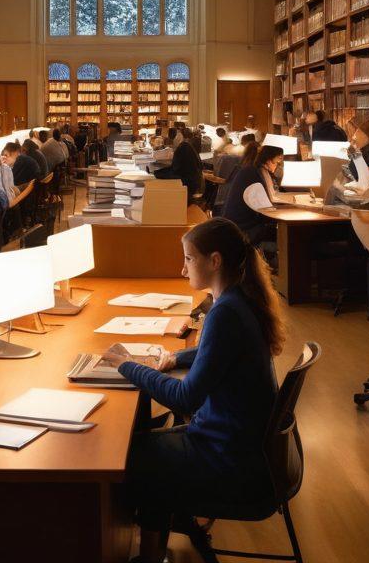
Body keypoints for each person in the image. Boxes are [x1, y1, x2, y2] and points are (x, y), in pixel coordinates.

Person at [101, 218, 284, 563]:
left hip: (231, 460)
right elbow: (215, 351)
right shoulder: (237, 299)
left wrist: (127, 365)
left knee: (130, 454)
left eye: (188, 259)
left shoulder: (225, 312)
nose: (183, 269)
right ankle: (164, 536)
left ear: (214, 261)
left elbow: (185, 398)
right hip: (243, 444)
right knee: (145, 446)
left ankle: (148, 552)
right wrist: (175, 357)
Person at [221, 143, 284, 246]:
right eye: (277, 162)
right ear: (269, 159)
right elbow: (265, 211)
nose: (277, 166)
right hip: (243, 230)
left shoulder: (255, 170)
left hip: (241, 225)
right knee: (290, 234)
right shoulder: (253, 174)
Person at [154, 128, 203, 202]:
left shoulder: (183, 148)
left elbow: (176, 170)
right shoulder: (186, 146)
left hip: (187, 186)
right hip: (193, 183)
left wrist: (158, 174)